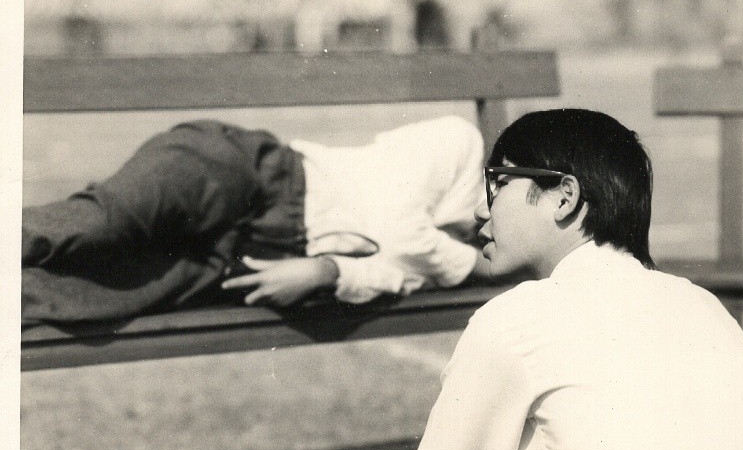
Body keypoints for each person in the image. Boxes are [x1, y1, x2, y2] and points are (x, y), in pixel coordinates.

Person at [398, 108, 743, 450]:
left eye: (499, 182)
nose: (481, 209)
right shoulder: (707, 309)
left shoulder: (514, 320)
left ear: (565, 197)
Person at [22, 115, 491, 325]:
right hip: (252, 176)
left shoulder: (446, 252)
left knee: (103, 292)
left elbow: (391, 277)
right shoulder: (461, 143)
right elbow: (402, 235)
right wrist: (491, 267)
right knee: (102, 223)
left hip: (259, 258)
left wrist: (326, 270)